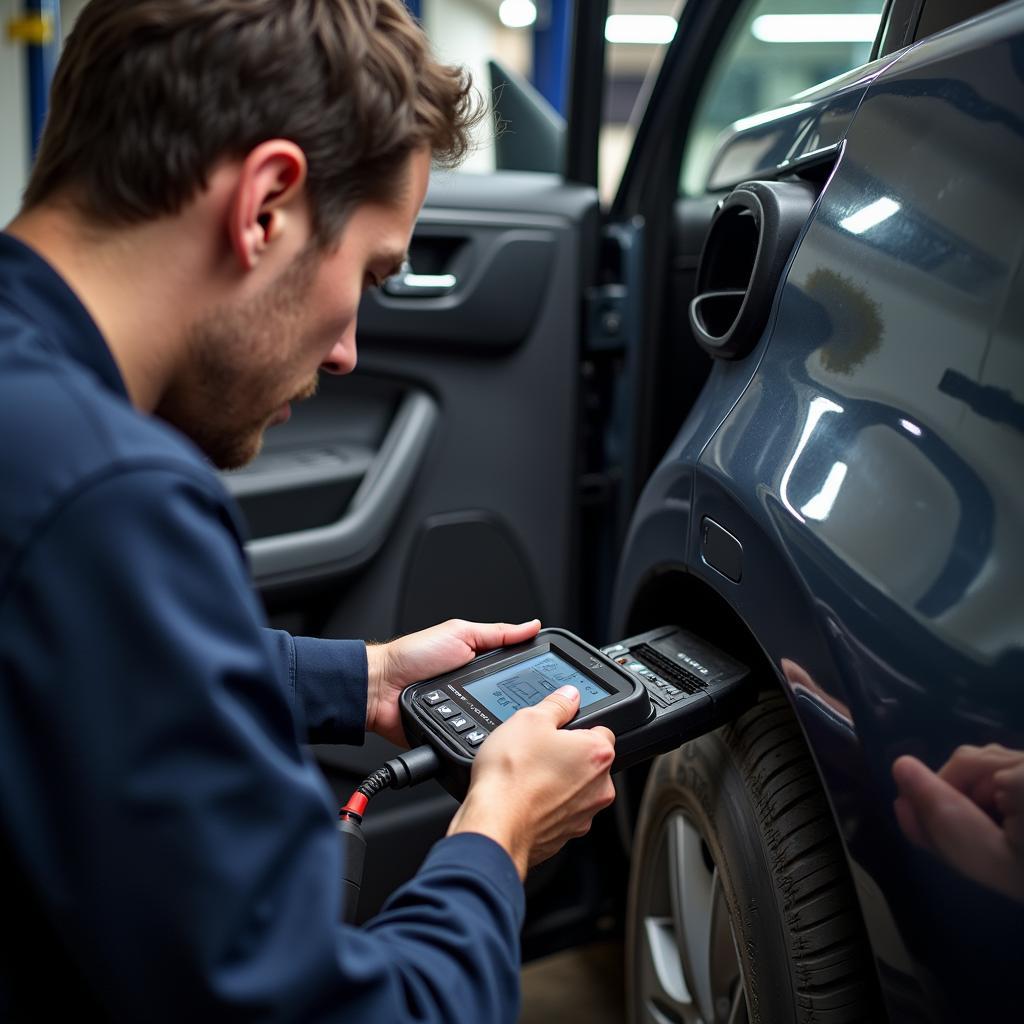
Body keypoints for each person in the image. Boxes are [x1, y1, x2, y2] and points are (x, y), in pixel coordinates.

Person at [0, 1, 617, 1020]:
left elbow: (79, 662)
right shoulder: (109, 497)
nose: (347, 352)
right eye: (370, 274)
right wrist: (496, 835)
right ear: (267, 205)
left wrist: (364, 678)